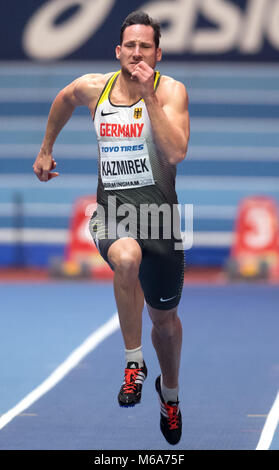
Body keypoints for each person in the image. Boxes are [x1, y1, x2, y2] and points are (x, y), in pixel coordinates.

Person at [33, 10, 190, 445]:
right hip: (113, 213)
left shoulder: (171, 91)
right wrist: (46, 149)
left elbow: (175, 153)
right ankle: (133, 363)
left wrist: (148, 98)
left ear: (157, 53)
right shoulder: (94, 87)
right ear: (118, 51)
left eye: (145, 46)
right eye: (130, 45)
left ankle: (170, 395)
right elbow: (64, 97)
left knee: (166, 325)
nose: (137, 53)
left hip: (159, 221)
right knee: (125, 257)